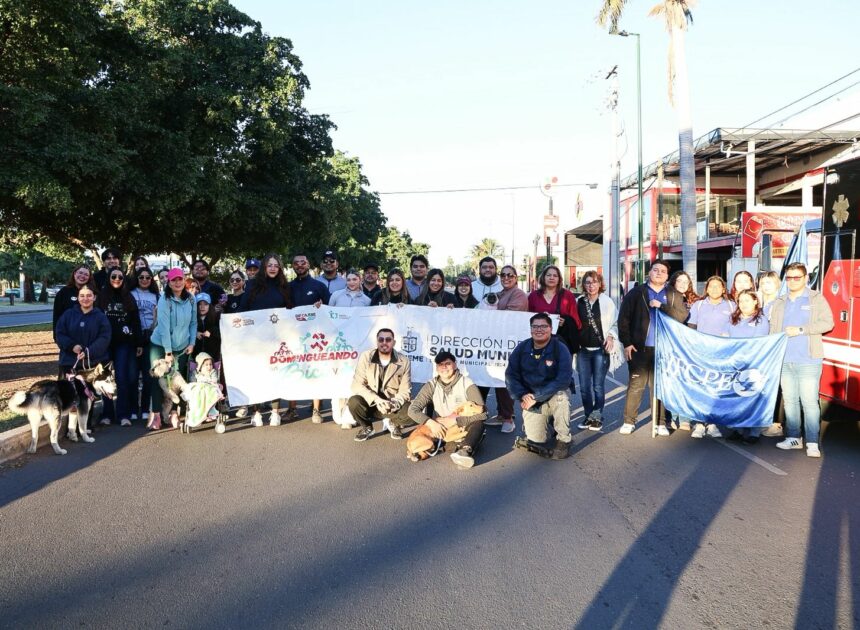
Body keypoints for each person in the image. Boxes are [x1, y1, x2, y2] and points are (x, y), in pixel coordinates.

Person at [769, 262, 834, 458]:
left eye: (797, 277)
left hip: (809, 360)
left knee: (809, 402)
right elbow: (773, 330)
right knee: (789, 401)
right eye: (789, 277)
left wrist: (801, 330)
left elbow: (827, 323)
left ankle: (813, 441)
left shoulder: (816, 298)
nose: (793, 281)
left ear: (806, 278)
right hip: (784, 360)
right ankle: (793, 438)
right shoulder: (780, 301)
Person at [617, 259, 688, 436]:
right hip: (639, 348)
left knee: (659, 387)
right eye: (655, 270)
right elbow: (623, 319)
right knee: (636, 385)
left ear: (667, 275)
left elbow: (682, 316)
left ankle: (661, 422)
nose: (658, 273)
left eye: (663, 271)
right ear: (650, 272)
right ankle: (629, 421)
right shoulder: (637, 293)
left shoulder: (673, 294)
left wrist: (661, 306)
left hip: (664, 349)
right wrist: (627, 343)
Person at [505, 312, 573, 460]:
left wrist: (537, 396)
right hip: (532, 399)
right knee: (537, 440)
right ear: (530, 329)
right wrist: (522, 394)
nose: (539, 330)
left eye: (543, 326)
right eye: (535, 326)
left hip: (552, 395)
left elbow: (564, 379)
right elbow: (511, 375)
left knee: (562, 398)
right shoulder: (521, 348)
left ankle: (564, 440)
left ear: (551, 328)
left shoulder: (560, 348)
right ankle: (549, 423)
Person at [408, 351, 488, 469]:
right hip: (442, 429)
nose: (444, 367)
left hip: (462, 423)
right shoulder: (431, 385)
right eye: (440, 364)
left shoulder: (467, 384)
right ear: (437, 368)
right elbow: (412, 410)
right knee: (450, 444)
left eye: (448, 363)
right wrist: (431, 423)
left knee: (479, 425)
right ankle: (459, 446)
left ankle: (464, 451)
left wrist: (457, 421)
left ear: (455, 365)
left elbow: (484, 414)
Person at [240, 254, 294, 426]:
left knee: (276, 374)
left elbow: (291, 311)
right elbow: (243, 309)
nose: (272, 268)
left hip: (277, 339)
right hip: (255, 339)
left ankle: (275, 411)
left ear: (279, 268)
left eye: (276, 266)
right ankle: (256, 412)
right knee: (256, 374)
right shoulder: (251, 285)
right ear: (264, 267)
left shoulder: (284, 286)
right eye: (269, 265)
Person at [479, 265, 528, 434]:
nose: (506, 278)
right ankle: (500, 415)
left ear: (516, 277)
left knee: (503, 380)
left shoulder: (519, 295)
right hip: (495, 344)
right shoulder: (500, 294)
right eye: (503, 275)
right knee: (491, 378)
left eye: (510, 275)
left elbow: (507, 317)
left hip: (509, 345)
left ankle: (508, 418)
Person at [148, 268, 197, 431]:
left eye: (180, 279)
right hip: (161, 345)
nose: (177, 283)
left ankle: (175, 413)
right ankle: (156, 415)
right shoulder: (165, 300)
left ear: (184, 280)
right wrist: (168, 352)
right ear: (168, 282)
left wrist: (191, 343)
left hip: (182, 346)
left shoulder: (191, 299)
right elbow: (163, 327)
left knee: (179, 379)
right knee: (158, 378)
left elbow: (193, 323)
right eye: (173, 280)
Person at [686, 275, 734, 439]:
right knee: (700, 388)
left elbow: (736, 327)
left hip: (722, 355)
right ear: (706, 289)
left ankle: (712, 423)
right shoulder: (698, 305)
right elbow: (691, 327)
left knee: (716, 389)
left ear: (723, 289)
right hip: (702, 354)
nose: (714, 289)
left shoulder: (731, 305)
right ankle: (699, 423)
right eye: (711, 286)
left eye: (718, 286)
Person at [348, 328, 413, 442]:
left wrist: (393, 404)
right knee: (354, 402)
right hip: (371, 403)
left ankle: (394, 423)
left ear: (394, 342)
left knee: (413, 412)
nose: (384, 342)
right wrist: (376, 399)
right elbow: (356, 385)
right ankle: (367, 427)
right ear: (377, 342)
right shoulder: (366, 357)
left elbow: (405, 390)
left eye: (388, 339)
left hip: (391, 404)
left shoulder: (404, 361)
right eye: (381, 339)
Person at [96, 267, 142, 426]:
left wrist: (138, 342)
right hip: (105, 344)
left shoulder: (128, 297)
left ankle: (123, 414)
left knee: (123, 378)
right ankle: (107, 413)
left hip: (124, 343)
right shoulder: (101, 297)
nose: (116, 279)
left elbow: (135, 321)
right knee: (105, 378)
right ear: (109, 278)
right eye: (113, 276)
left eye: (120, 277)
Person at [574, 271, 619, 432]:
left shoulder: (607, 303)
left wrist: (612, 337)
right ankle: (588, 416)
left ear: (600, 284)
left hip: (600, 350)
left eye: (594, 282)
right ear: (583, 285)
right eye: (587, 282)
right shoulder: (578, 301)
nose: (591, 285)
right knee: (584, 387)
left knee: (597, 386)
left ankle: (597, 416)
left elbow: (615, 323)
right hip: (583, 351)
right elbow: (573, 323)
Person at [726, 289, 771, 444]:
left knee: (752, 396)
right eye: (741, 300)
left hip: (753, 365)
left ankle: (754, 432)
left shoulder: (761, 320)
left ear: (755, 302)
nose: (743, 304)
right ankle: (738, 429)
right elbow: (725, 338)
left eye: (747, 300)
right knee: (736, 397)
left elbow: (758, 343)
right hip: (735, 364)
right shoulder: (733, 319)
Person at [287, 253, 327, 423]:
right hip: (292, 335)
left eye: (303, 262)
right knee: (291, 371)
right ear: (293, 266)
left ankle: (316, 409)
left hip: (314, 337)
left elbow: (330, 310)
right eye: (296, 263)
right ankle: (292, 409)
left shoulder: (319, 286)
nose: (300, 265)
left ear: (308, 264)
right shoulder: (287, 287)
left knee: (315, 371)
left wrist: (321, 307)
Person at [665, 270, 698, 431]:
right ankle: (672, 416)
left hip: (689, 349)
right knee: (672, 383)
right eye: (679, 281)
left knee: (687, 383)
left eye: (686, 281)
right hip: (671, 346)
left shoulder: (696, 300)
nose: (683, 285)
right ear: (673, 283)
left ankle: (685, 417)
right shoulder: (667, 299)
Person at [55, 284, 111, 376]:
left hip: (94, 365)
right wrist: (71, 346)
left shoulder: (101, 317)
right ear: (78, 297)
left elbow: (104, 338)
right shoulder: (68, 315)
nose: (85, 299)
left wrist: (88, 352)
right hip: (69, 363)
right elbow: (60, 334)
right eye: (82, 296)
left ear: (94, 297)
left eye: (89, 295)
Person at [527, 265, 581, 357]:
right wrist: (540, 318)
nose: (551, 278)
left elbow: (576, 321)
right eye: (548, 275)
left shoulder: (567, 295)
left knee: (561, 370)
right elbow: (527, 318)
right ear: (543, 277)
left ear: (559, 279)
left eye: (555, 276)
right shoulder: (533, 296)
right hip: (539, 343)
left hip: (562, 343)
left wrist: (565, 322)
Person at [757, 270, 785, 438]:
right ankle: (765, 420)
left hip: (774, 349)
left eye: (769, 283)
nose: (766, 286)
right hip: (762, 350)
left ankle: (776, 424)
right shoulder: (761, 303)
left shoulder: (779, 303)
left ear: (777, 284)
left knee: (776, 387)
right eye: (763, 283)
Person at [130, 267, 159, 423]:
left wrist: (153, 324)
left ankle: (146, 406)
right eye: (141, 277)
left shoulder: (156, 296)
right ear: (137, 278)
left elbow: (158, 320)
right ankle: (134, 408)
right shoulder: (131, 294)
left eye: (148, 277)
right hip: (134, 339)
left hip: (150, 339)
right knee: (133, 376)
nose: (145, 280)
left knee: (148, 377)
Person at [53, 265, 96, 343]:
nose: (82, 276)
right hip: (68, 338)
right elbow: (57, 315)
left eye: (86, 274)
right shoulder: (63, 292)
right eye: (80, 273)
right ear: (75, 273)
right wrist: (57, 337)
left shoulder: (93, 293)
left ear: (89, 278)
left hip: (89, 338)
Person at [194, 293, 222, 361]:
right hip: (197, 356)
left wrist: (211, 332)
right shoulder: (192, 318)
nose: (202, 307)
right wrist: (195, 333)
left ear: (209, 305)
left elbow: (222, 333)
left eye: (205, 304)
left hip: (213, 357)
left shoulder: (216, 317)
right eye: (199, 304)